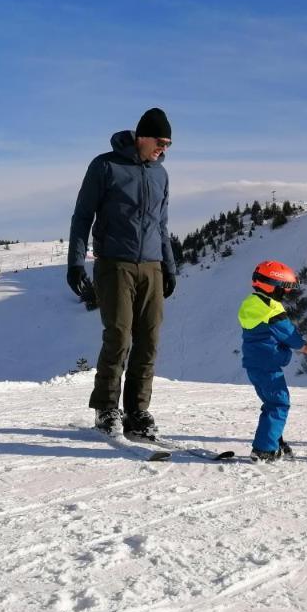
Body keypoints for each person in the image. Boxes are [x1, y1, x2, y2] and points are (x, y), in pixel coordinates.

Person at [67, 108, 177, 438]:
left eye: (169, 144)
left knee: (150, 339)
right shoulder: (105, 165)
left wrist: (169, 267)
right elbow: (83, 216)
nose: (164, 149)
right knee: (118, 335)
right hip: (115, 264)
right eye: (160, 142)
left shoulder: (161, 175)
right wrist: (75, 263)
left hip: (152, 266)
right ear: (142, 136)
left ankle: (137, 411)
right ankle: (106, 408)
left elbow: (162, 224)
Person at [238, 261, 307, 462]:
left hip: (255, 363)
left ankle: (274, 440)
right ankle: (264, 449)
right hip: (268, 365)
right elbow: (288, 333)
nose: (285, 294)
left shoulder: (250, 303)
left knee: (272, 403)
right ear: (272, 285)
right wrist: (301, 345)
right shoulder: (271, 308)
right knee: (278, 403)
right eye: (283, 289)